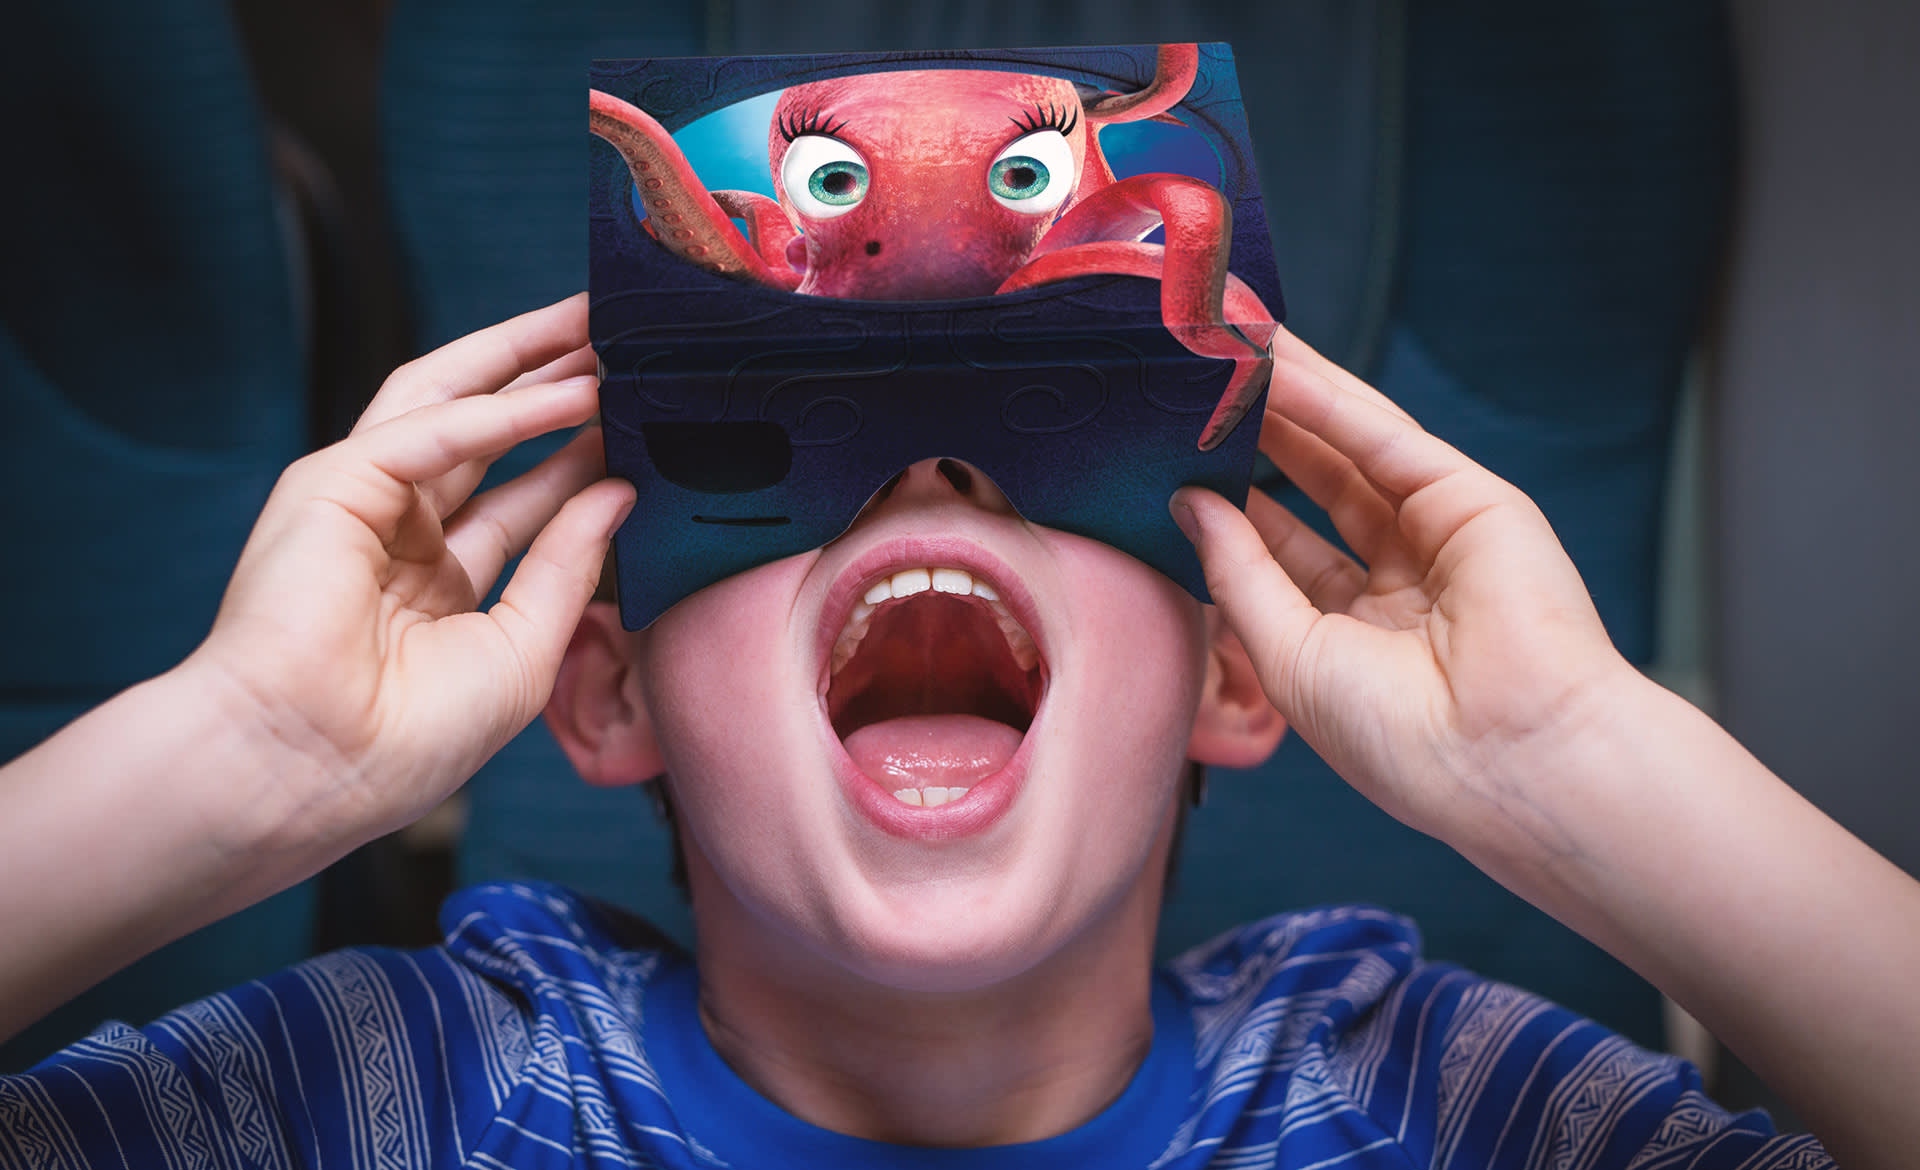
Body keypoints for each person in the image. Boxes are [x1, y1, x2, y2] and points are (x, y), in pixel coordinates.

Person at [1, 295, 1913, 1168]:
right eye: (787, 444)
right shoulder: (397, 1095)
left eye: (1058, 434)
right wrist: (232, 755)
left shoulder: (1430, 1095)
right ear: (607, 688)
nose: (930, 470)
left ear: (1241, 667)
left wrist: (1577, 761)